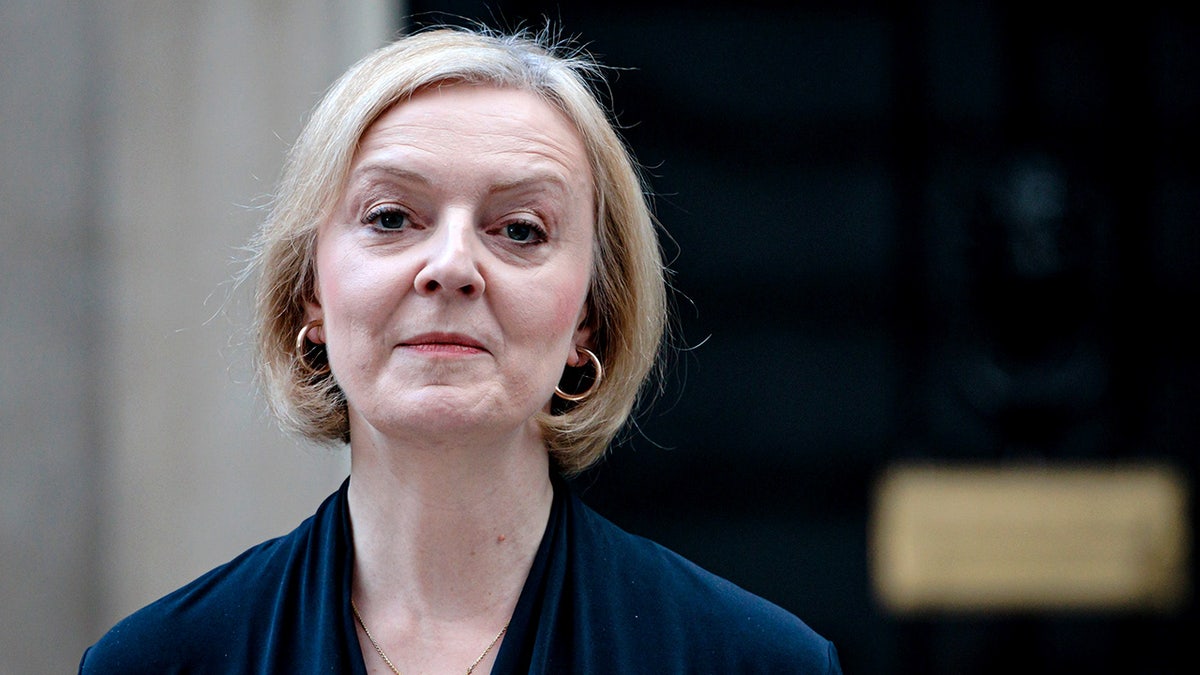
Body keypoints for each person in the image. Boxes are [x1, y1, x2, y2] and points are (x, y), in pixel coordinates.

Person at [79, 26, 842, 674]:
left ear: (589, 317)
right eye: (389, 216)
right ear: (310, 293)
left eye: (520, 229)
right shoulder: (161, 659)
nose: (450, 266)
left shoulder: (751, 659)